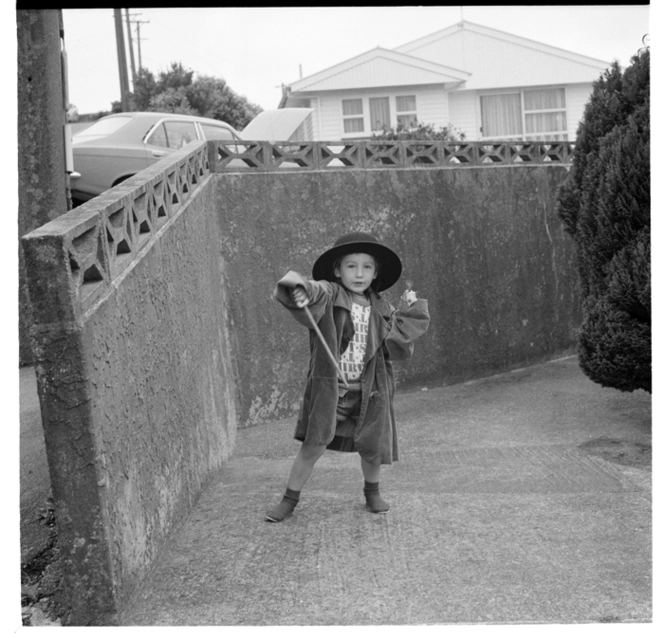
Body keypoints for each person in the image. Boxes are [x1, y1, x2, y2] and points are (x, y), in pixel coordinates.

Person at [266, 231, 430, 522]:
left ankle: (372, 492)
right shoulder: (330, 294)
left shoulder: (382, 308)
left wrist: (409, 311)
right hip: (333, 389)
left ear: (376, 272)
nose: (359, 273)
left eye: (367, 266)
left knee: (372, 446)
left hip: (371, 388)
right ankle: (289, 500)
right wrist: (300, 288)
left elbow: (397, 349)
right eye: (351, 266)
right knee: (314, 444)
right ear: (337, 270)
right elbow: (311, 291)